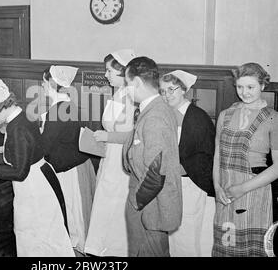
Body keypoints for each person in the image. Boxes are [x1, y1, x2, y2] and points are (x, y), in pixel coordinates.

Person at [0, 77, 74, 257]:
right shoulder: (20, 116)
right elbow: (18, 154)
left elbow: (19, 171)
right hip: (39, 177)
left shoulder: (17, 128)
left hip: (34, 188)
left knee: (36, 237)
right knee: (42, 236)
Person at [212, 63, 278, 257]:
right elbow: (218, 155)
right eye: (240, 87)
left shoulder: (273, 119)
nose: (244, 92)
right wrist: (217, 187)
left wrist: (241, 188)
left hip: (254, 191)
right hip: (225, 191)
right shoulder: (225, 115)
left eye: (251, 87)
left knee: (250, 250)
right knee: (226, 246)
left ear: (263, 86)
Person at [122, 56, 182, 257]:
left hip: (149, 208)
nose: (126, 89)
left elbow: (156, 172)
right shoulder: (151, 109)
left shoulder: (155, 115)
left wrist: (135, 202)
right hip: (148, 203)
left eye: (128, 83)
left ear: (137, 82)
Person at [84, 49, 136, 257]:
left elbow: (134, 134)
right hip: (111, 155)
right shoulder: (119, 93)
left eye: (109, 71)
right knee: (106, 200)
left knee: (116, 202)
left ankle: (117, 251)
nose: (105, 75)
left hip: (122, 158)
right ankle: (103, 250)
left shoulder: (132, 97)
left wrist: (106, 137)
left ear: (123, 72)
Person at [40, 65, 96, 255]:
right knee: (77, 218)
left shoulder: (58, 111)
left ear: (49, 83)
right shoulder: (70, 105)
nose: (42, 86)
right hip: (77, 165)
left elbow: (44, 147)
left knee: (73, 220)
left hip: (68, 171)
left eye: (43, 82)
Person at [160, 70, 216, 257]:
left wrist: (181, 168)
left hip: (192, 184)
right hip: (173, 183)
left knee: (190, 235)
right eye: (163, 91)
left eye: (171, 90)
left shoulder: (198, 118)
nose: (167, 95)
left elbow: (206, 155)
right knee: (175, 235)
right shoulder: (167, 114)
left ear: (184, 89)